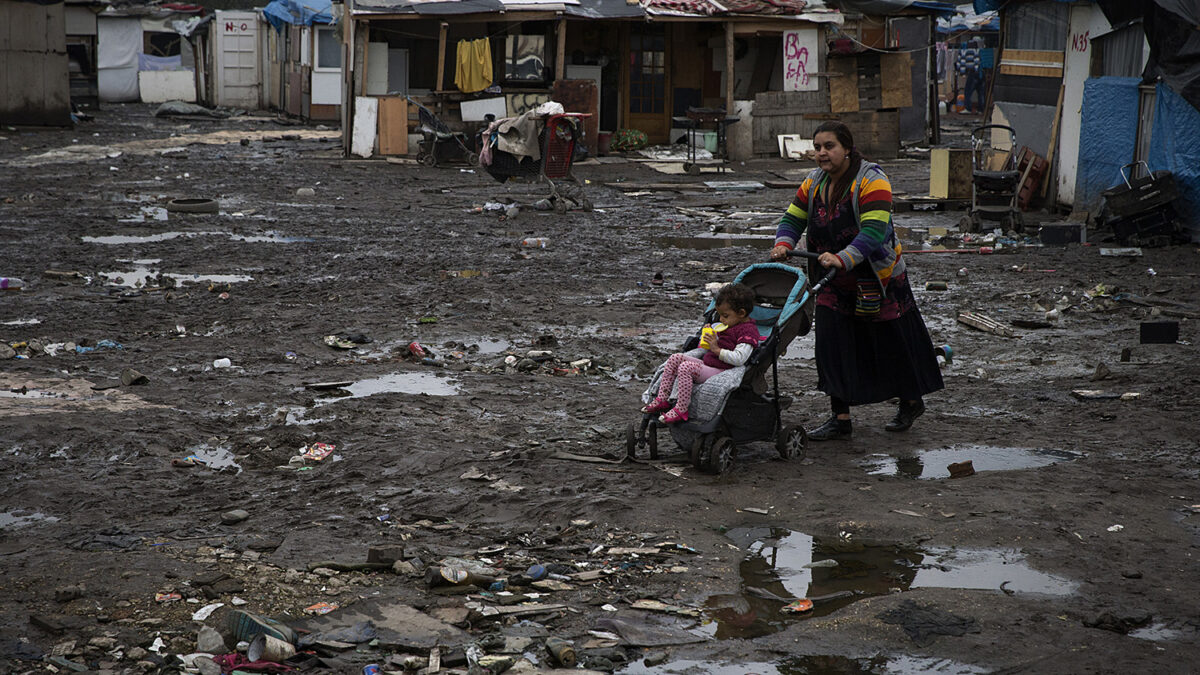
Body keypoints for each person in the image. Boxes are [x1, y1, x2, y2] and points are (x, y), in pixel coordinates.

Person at [769, 121, 943, 440]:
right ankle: (840, 418)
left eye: (829, 146)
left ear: (846, 148)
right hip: (832, 280)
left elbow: (875, 232)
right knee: (832, 346)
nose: (822, 153)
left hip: (878, 278)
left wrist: (843, 257)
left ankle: (910, 401)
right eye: (818, 147)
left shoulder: (872, 180)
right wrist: (784, 242)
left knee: (890, 343)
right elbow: (793, 217)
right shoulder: (814, 181)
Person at [642, 283, 760, 425]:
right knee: (675, 358)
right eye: (719, 315)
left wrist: (716, 349)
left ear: (741, 313)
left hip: (722, 370)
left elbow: (739, 358)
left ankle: (681, 408)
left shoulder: (748, 332)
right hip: (710, 363)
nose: (721, 320)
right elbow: (714, 345)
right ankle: (663, 399)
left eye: (725, 315)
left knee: (686, 367)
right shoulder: (729, 325)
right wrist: (709, 337)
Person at [956, 38, 983, 114]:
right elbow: (978, 62)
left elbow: (962, 63)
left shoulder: (963, 51)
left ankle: (968, 108)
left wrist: (962, 73)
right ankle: (981, 110)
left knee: (967, 92)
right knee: (981, 93)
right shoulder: (979, 51)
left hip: (972, 73)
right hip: (981, 73)